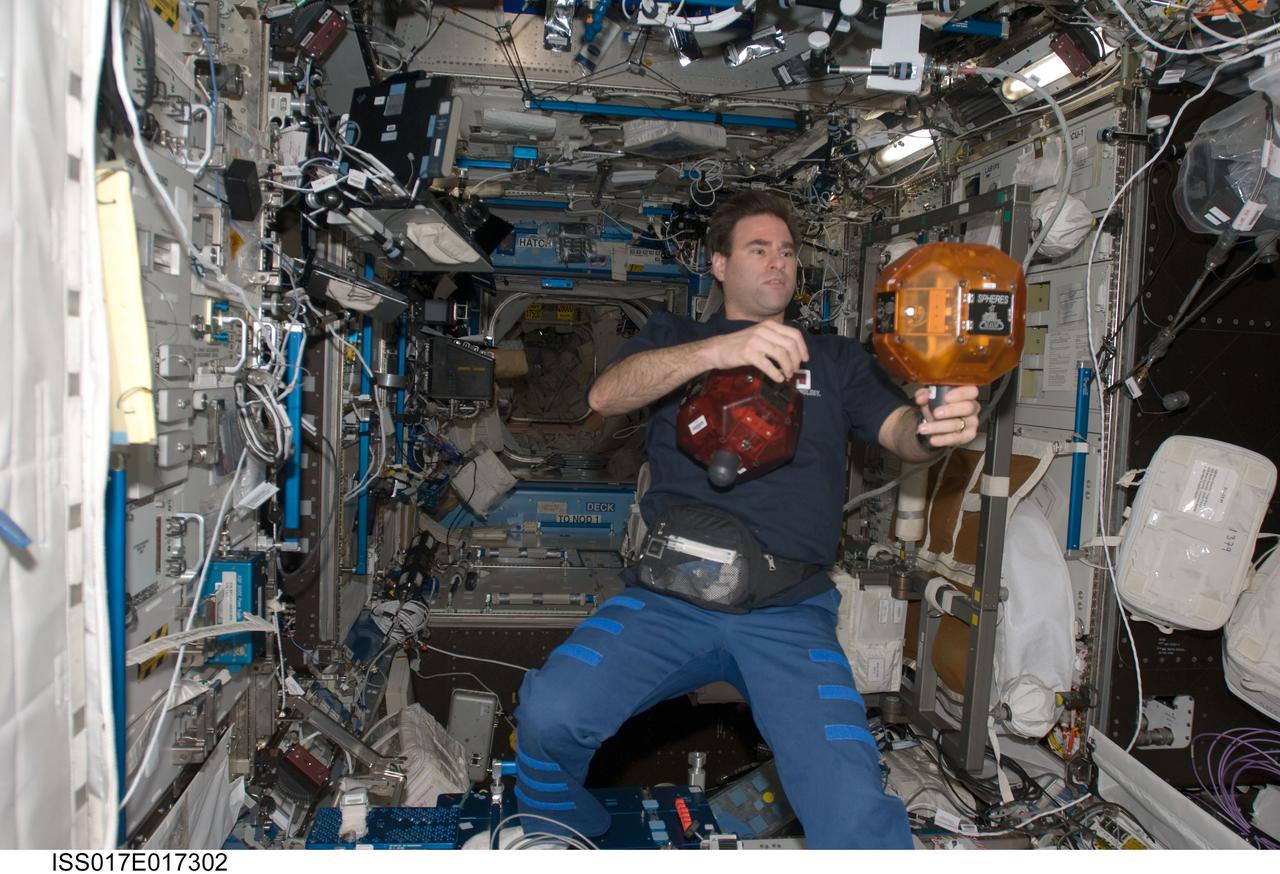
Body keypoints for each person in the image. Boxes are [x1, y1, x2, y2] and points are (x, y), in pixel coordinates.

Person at [511, 192, 980, 849]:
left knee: (852, 812)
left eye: (787, 251)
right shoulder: (675, 340)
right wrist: (723, 351)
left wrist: (935, 428)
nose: (778, 263)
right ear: (719, 265)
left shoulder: (837, 360)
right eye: (759, 249)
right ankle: (557, 831)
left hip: (789, 615)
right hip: (667, 602)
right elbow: (605, 395)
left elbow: (901, 430)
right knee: (550, 714)